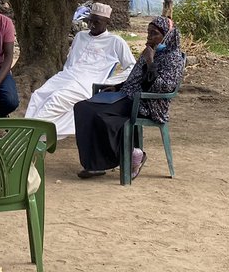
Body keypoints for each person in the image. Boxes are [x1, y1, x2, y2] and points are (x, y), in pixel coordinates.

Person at [73, 15, 185, 179]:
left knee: (100, 115)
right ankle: (95, 164)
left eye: (154, 34)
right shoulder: (150, 51)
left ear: (167, 35)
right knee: (82, 108)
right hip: (128, 96)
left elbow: (162, 87)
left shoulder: (172, 58)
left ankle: (130, 155)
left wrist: (150, 63)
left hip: (148, 103)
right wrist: (118, 87)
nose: (149, 37)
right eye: (148, 33)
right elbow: (135, 78)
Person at [25, 2, 135, 136]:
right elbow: (70, 62)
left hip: (86, 83)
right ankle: (32, 131)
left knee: (56, 99)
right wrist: (63, 77)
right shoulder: (80, 36)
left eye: (97, 22)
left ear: (107, 22)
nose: (92, 25)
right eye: (90, 21)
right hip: (66, 76)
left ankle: (31, 135)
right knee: (39, 94)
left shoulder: (115, 41)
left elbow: (131, 67)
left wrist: (110, 82)